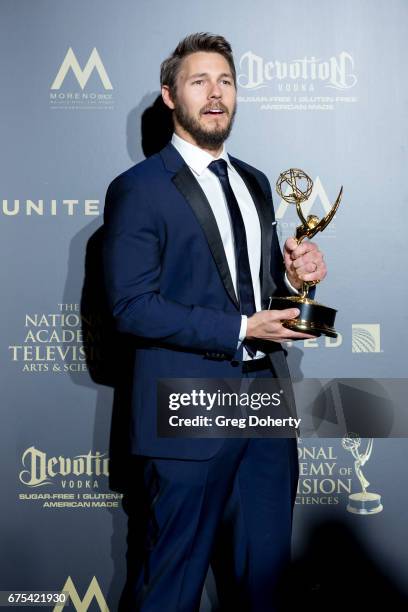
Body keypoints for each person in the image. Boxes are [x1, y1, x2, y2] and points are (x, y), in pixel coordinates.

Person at [103, 32, 326, 612]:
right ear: (170, 96)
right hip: (186, 407)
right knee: (170, 589)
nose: (215, 93)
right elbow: (130, 306)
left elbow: (258, 295)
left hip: (264, 408)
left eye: (225, 81)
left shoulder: (255, 181)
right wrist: (240, 330)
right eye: (199, 81)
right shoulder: (138, 190)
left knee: (266, 586)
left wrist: (300, 283)